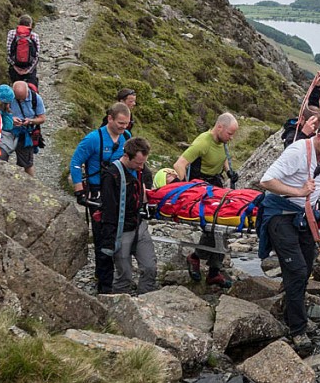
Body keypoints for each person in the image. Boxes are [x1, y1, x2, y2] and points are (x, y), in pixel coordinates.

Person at [258, 119, 320, 354]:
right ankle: (297, 329)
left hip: (305, 215)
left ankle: (290, 306)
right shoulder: (297, 152)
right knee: (296, 269)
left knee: (306, 267)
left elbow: (316, 186)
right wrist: (298, 191)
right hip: (280, 213)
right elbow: (266, 181)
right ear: (318, 136)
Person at [70, 102, 132, 294]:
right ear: (110, 118)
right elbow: (75, 163)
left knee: (118, 230)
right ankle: (103, 281)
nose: (123, 127)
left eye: (127, 123)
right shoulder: (93, 139)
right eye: (120, 123)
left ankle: (116, 275)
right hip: (97, 191)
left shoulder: (127, 138)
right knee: (101, 234)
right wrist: (80, 191)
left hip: (120, 190)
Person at [173, 112, 239, 287]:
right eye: (230, 134)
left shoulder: (222, 142)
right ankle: (199, 261)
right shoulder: (203, 142)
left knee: (223, 226)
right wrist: (184, 188)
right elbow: (179, 164)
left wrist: (228, 171)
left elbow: (222, 155)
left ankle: (211, 270)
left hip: (215, 184)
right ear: (219, 127)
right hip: (201, 187)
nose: (231, 138)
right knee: (214, 227)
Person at [99, 137, 158, 295]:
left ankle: (146, 301)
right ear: (127, 156)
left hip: (138, 224)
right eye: (138, 163)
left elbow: (146, 193)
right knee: (124, 274)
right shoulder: (111, 176)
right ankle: (118, 308)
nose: (141, 167)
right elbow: (109, 210)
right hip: (121, 229)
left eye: (143, 162)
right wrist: (109, 241)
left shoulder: (142, 171)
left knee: (150, 267)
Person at [1, 81, 46, 176]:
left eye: (22, 98)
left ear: (27, 92)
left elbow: (42, 119)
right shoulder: (7, 97)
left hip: (25, 134)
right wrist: (11, 119)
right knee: (1, 157)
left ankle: (32, 186)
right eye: (17, 98)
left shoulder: (36, 98)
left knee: (27, 163)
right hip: (7, 132)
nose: (20, 100)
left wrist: (30, 121)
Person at [7, 15, 40, 87]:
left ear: (19, 24)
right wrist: (28, 70)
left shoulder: (11, 33)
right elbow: (36, 56)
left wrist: (16, 68)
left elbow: (9, 53)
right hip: (29, 69)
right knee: (31, 90)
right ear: (30, 25)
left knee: (16, 90)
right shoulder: (34, 36)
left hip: (15, 68)